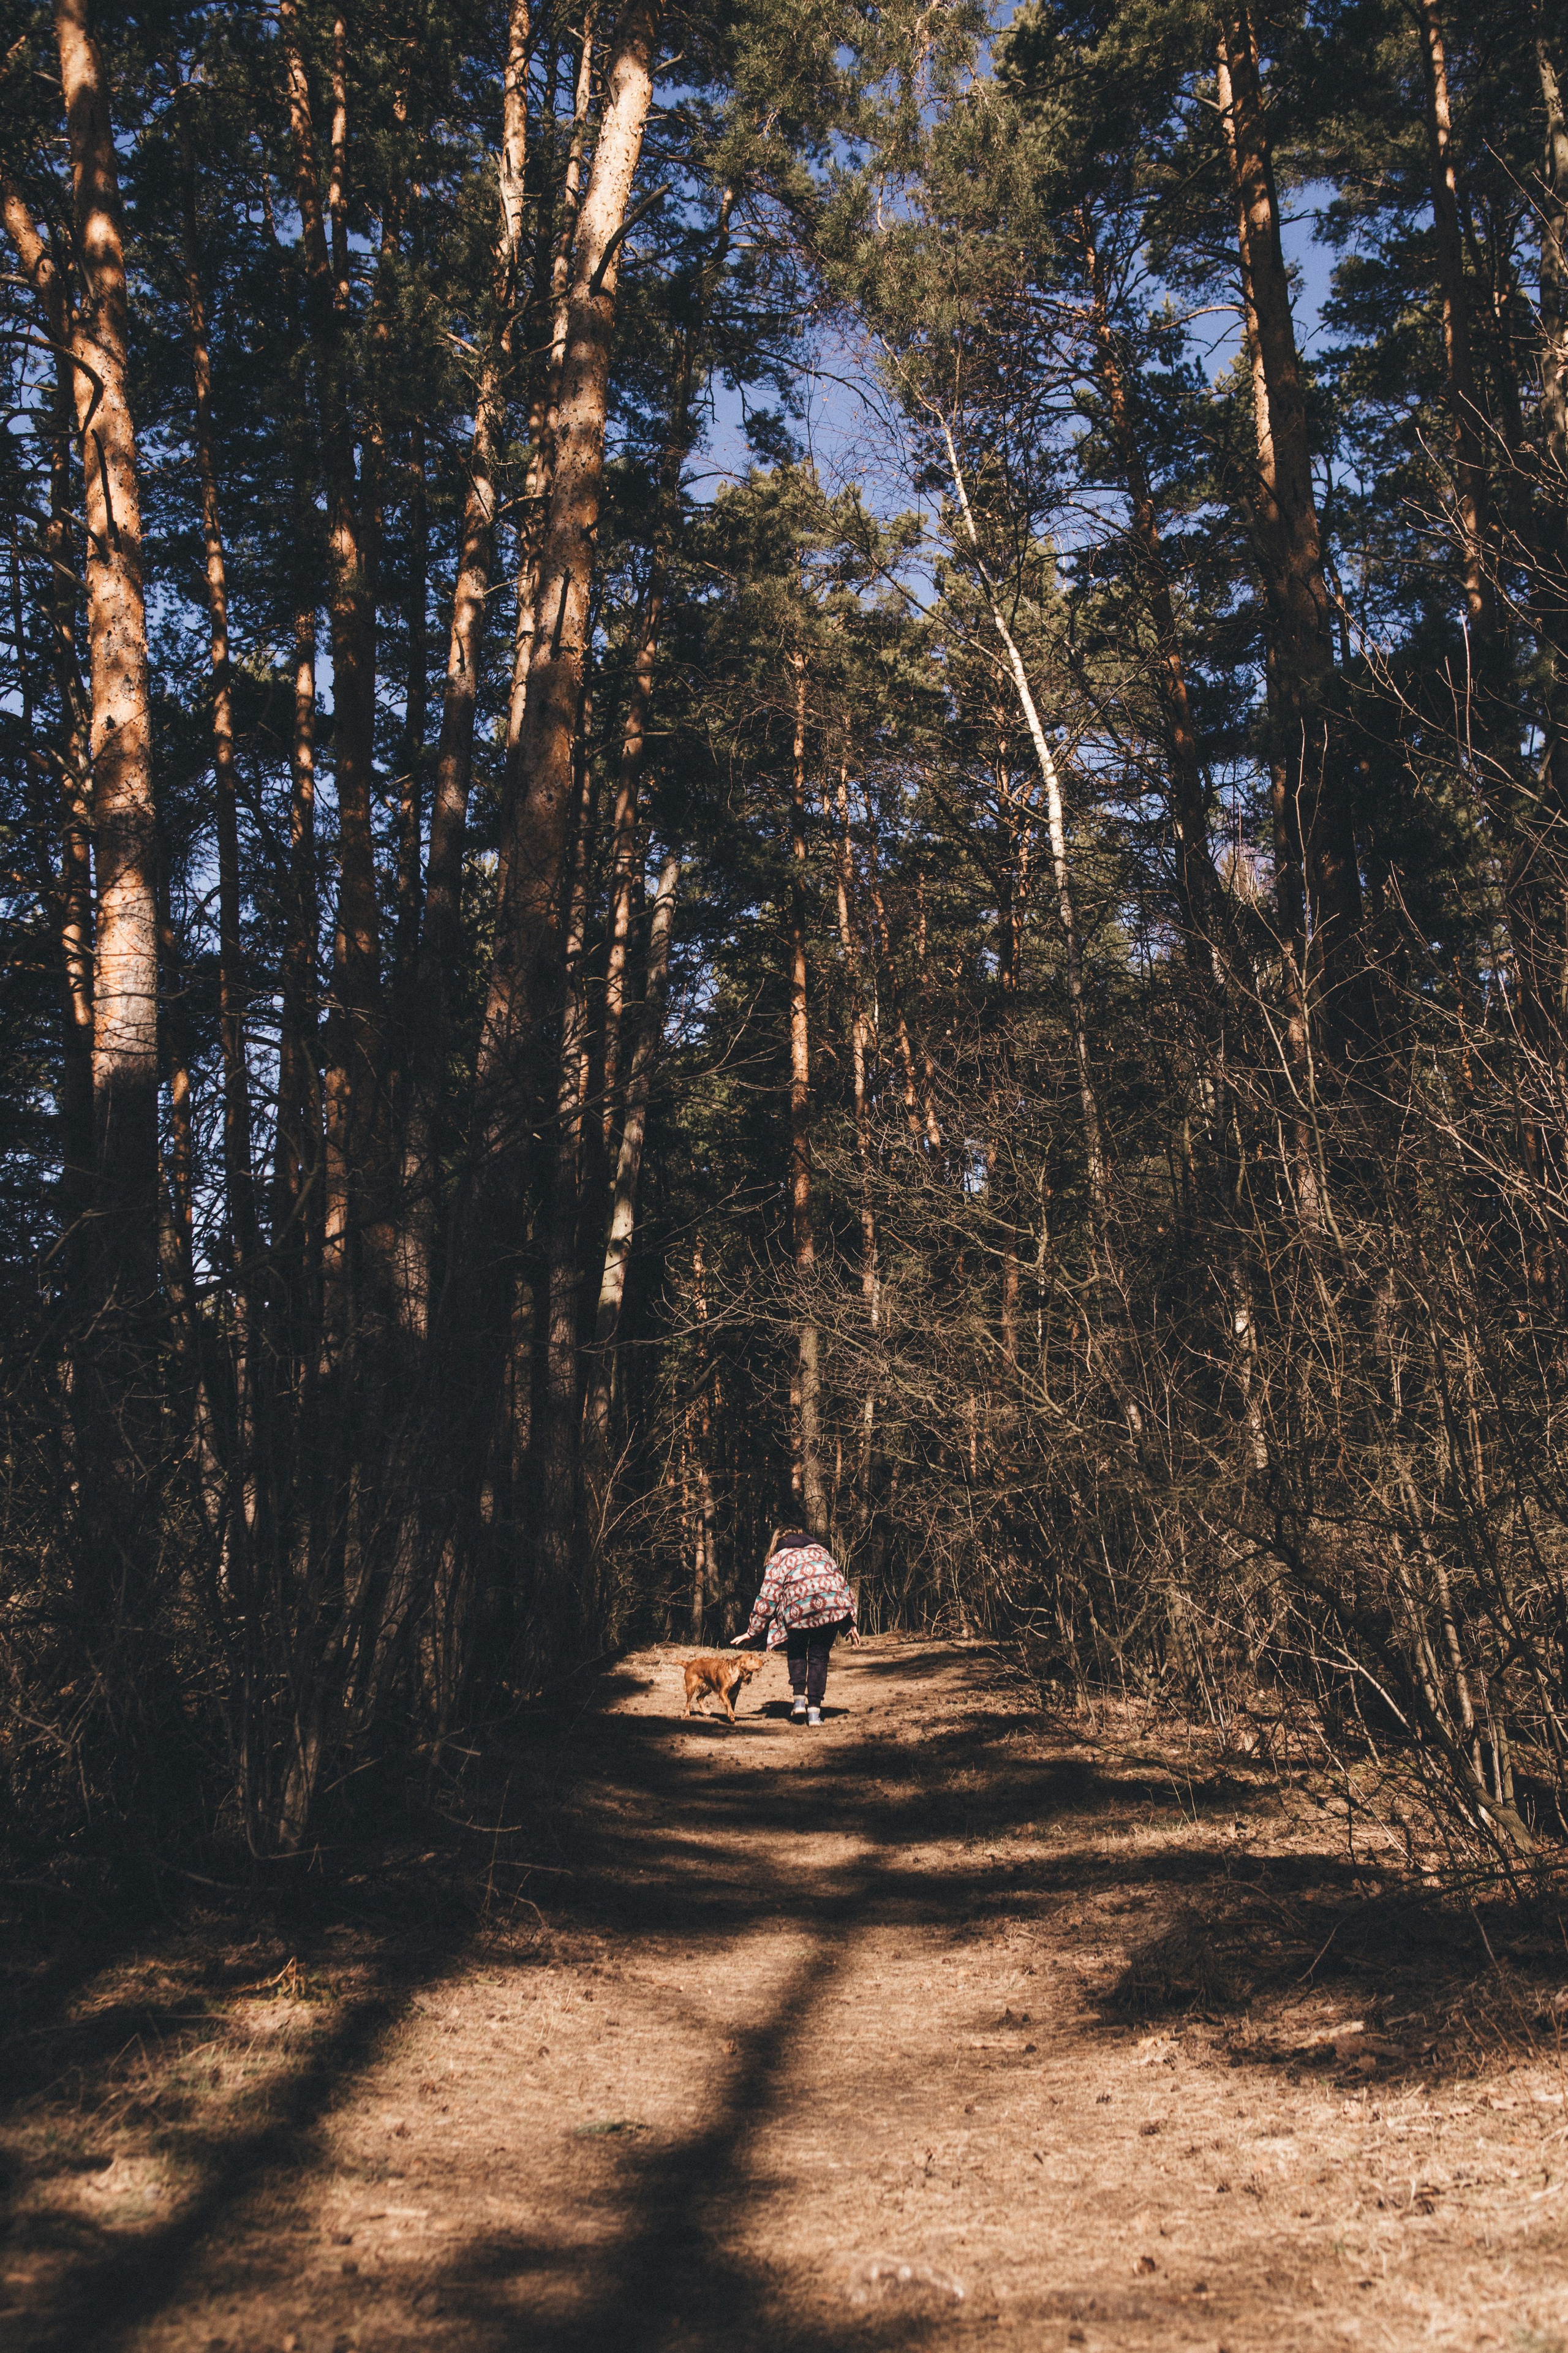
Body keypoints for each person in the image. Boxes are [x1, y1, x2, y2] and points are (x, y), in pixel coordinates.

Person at [733, 1524, 859, 1725]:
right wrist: (848, 1624)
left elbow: (768, 1597)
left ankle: (799, 1703)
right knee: (819, 1657)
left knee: (797, 1649)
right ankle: (815, 1714)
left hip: (798, 1610)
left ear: (778, 1541)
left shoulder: (780, 1558)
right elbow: (840, 1585)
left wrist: (753, 1631)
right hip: (830, 1606)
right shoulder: (821, 1551)